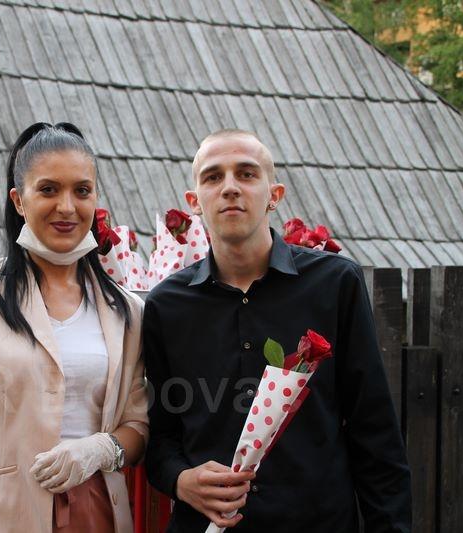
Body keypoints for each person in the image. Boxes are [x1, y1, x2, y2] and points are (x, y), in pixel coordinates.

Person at [143, 129, 411, 532]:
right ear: (194, 201)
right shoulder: (166, 305)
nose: (230, 187)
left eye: (246, 174)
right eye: (213, 177)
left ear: (275, 195)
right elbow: (160, 435)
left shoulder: (335, 284)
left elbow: (374, 431)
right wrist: (180, 481)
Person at [0, 122, 149, 533]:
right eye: (48, 190)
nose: (66, 207)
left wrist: (100, 449)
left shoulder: (126, 309)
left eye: (82, 191)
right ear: (19, 200)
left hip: (95, 512)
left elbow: (137, 426)